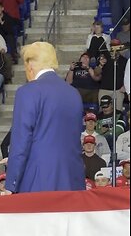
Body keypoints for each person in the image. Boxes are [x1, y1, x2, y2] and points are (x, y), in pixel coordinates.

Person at [5, 41, 86, 193]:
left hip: (39, 181)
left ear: (30, 65)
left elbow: (21, 141)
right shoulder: (73, 93)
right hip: (73, 180)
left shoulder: (28, 91)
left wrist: (11, 183)